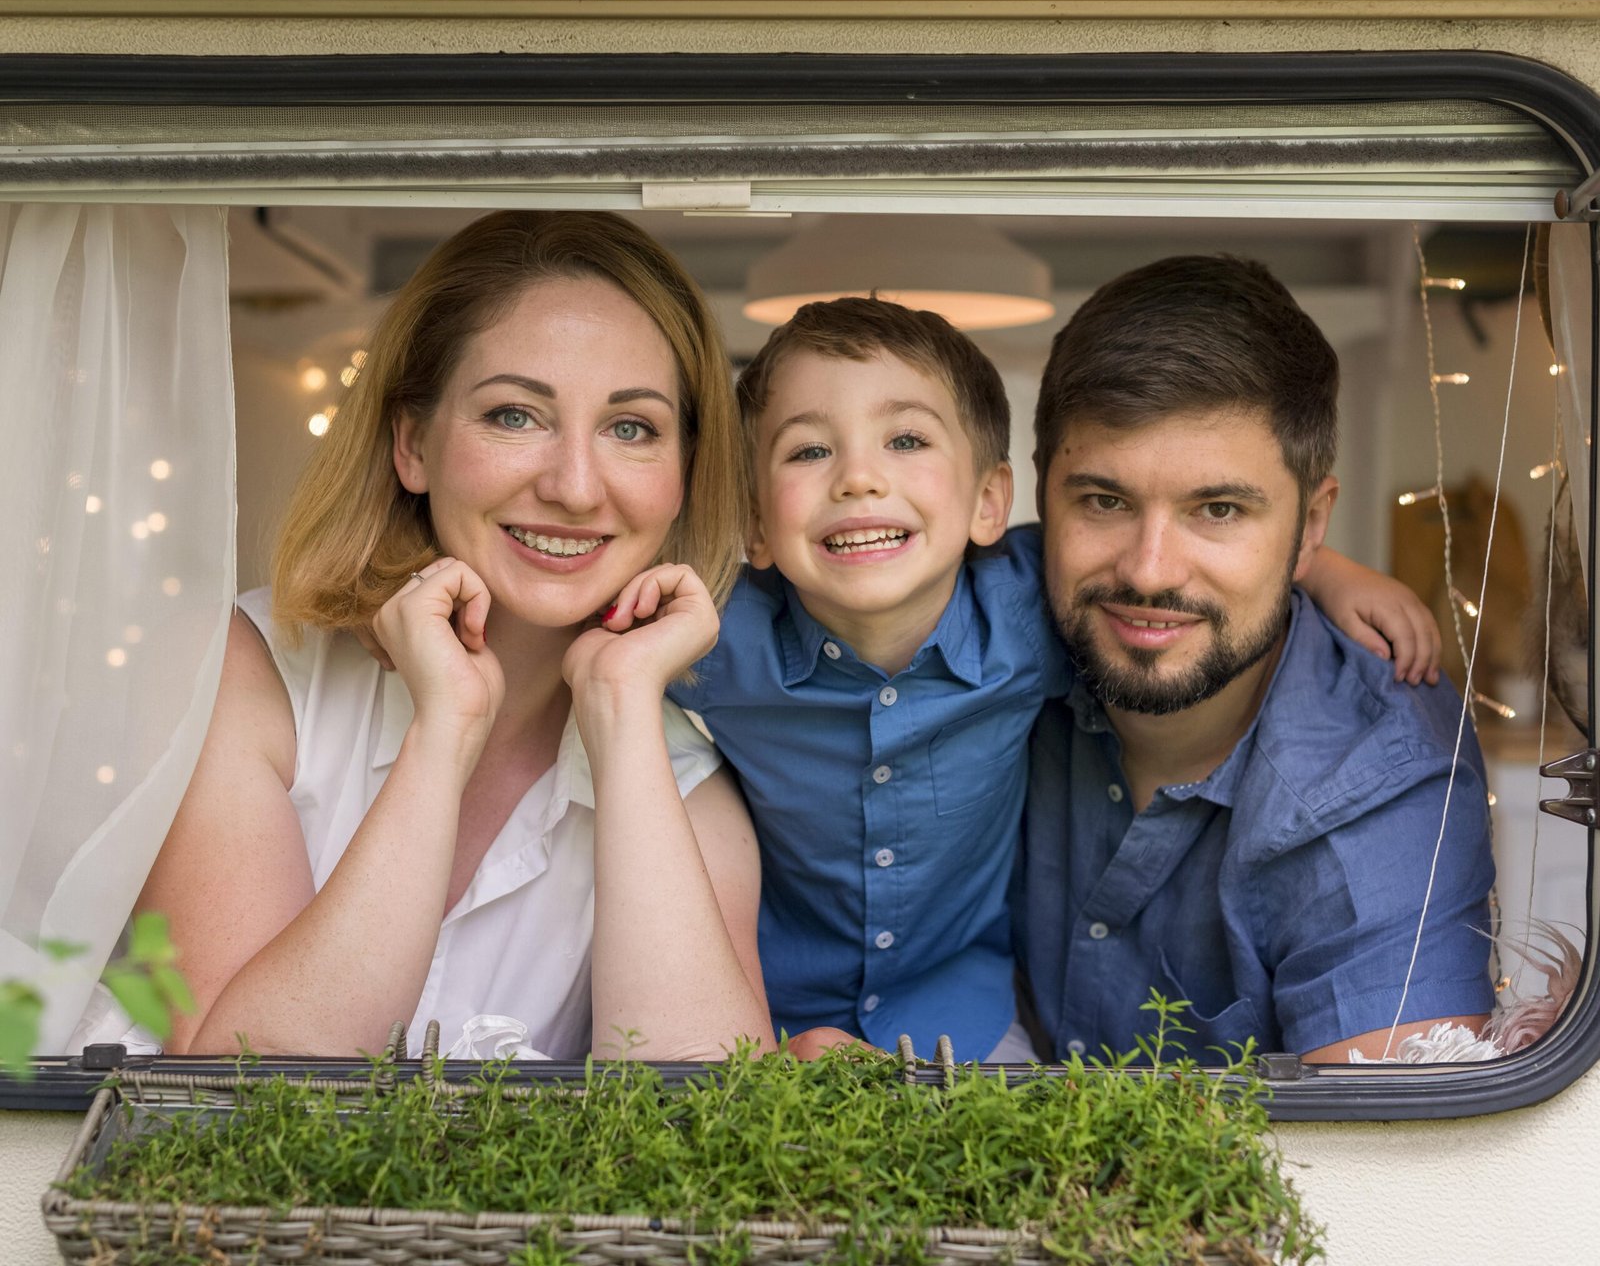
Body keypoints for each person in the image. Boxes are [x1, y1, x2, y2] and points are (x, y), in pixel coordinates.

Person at [654, 293, 1440, 1062]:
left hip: (964, 1022)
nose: (858, 479)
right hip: (769, 1018)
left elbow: (1180, 585)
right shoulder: (706, 637)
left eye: (905, 442)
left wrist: (1324, 571)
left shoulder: (1035, 606)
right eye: (809, 450)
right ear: (754, 520)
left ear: (990, 502)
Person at [119, 210, 774, 1060]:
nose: (576, 486)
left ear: (683, 474)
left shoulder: (689, 788)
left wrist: (621, 706)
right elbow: (234, 1088)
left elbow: (709, 1136)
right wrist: (445, 733)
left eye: (631, 428)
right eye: (514, 416)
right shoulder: (243, 677)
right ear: (412, 446)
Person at [1017, 254, 1496, 1064]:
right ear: (1038, 495)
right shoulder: (986, 618)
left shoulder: (1381, 778)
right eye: (1104, 501)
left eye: (1219, 510)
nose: (1148, 570)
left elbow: (1392, 1171)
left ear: (1312, 526)